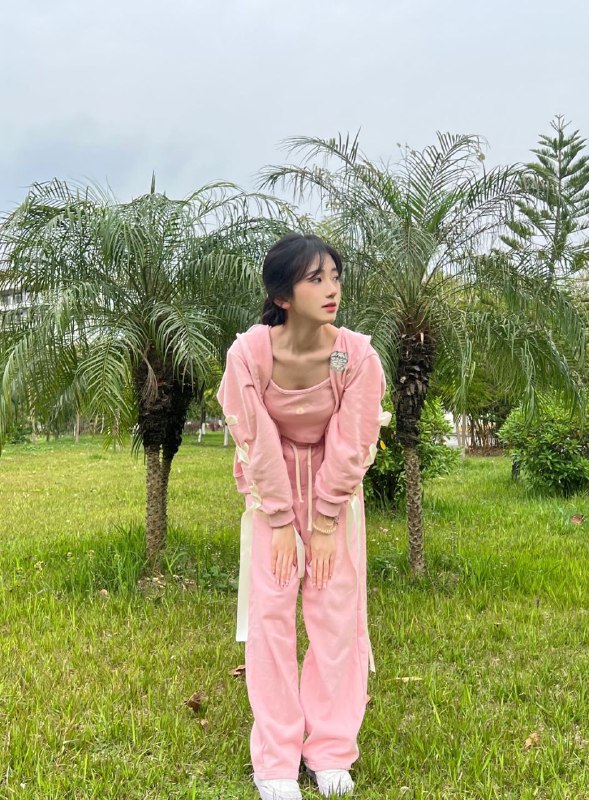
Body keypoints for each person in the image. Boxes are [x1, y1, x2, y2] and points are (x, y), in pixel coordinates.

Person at [216, 233, 391, 800]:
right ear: (282, 296)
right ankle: (275, 757)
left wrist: (323, 523)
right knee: (271, 618)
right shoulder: (249, 354)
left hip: (334, 496)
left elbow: (352, 440)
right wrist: (278, 519)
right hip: (270, 491)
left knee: (335, 615)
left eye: (335, 276)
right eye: (316, 279)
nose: (332, 289)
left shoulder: (354, 356)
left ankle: (331, 748)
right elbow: (255, 437)